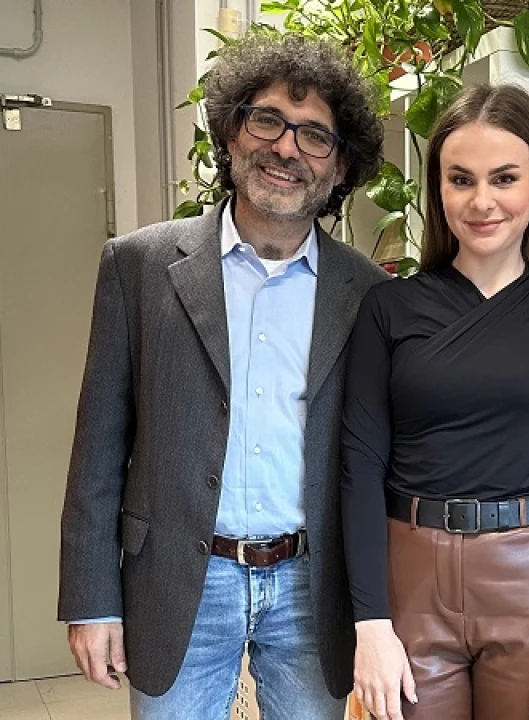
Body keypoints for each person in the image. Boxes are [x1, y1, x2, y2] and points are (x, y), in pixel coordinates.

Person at [58, 32, 386, 720]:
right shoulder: (139, 267)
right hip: (180, 577)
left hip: (312, 587)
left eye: (314, 136)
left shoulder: (368, 293)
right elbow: (98, 448)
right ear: (231, 133)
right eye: (267, 120)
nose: (287, 148)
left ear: (339, 167)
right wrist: (91, 601)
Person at [340, 84, 529, 720]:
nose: (481, 201)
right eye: (460, 179)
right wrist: (370, 624)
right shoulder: (388, 309)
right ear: (438, 189)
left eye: (505, 178)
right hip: (410, 584)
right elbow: (359, 470)